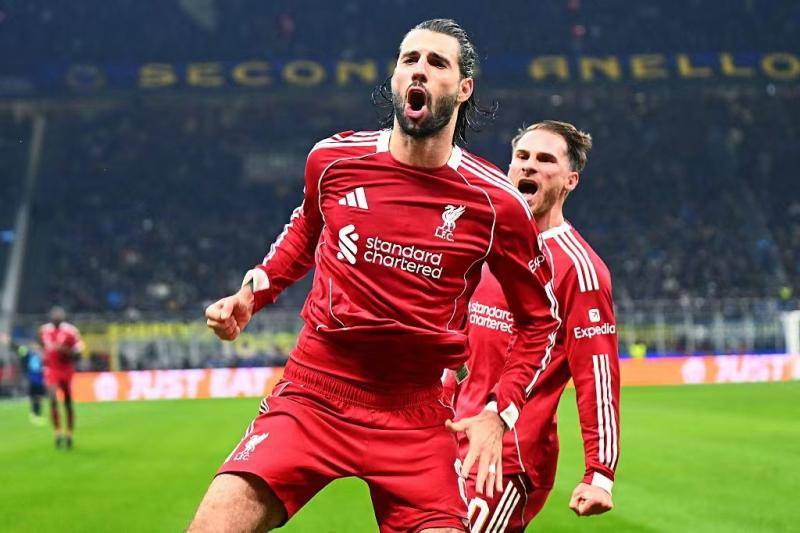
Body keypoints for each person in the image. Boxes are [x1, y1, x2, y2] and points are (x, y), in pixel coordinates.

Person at [192, 19, 560, 533]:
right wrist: (252, 292)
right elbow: (307, 230)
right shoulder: (333, 160)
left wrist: (500, 412)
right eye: (410, 59)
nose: (420, 70)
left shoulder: (495, 202)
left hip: (418, 415)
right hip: (315, 391)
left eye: (437, 63)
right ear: (395, 78)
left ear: (463, 88)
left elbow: (540, 321)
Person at [447, 121, 620, 531]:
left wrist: (600, 472)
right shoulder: (485, 246)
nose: (529, 166)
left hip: (509, 458)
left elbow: (597, 374)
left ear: (570, 180)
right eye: (522, 157)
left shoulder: (580, 270)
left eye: (545, 160)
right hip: (450, 441)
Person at [39, 306, 84, 449]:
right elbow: (41, 345)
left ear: (63, 317)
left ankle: (69, 433)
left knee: (68, 401)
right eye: (54, 315)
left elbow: (79, 352)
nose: (56, 317)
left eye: (59, 315)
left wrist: (65, 351)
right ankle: (57, 432)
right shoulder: (44, 330)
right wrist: (43, 356)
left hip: (66, 369)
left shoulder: (71, 331)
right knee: (52, 397)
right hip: (51, 369)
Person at [0, 332, 46, 425]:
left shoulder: (42, 354)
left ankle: (37, 413)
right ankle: (34, 414)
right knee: (34, 396)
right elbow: (17, 348)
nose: (35, 347)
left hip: (41, 378)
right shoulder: (28, 353)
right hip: (32, 377)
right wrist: (8, 341)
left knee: (39, 397)